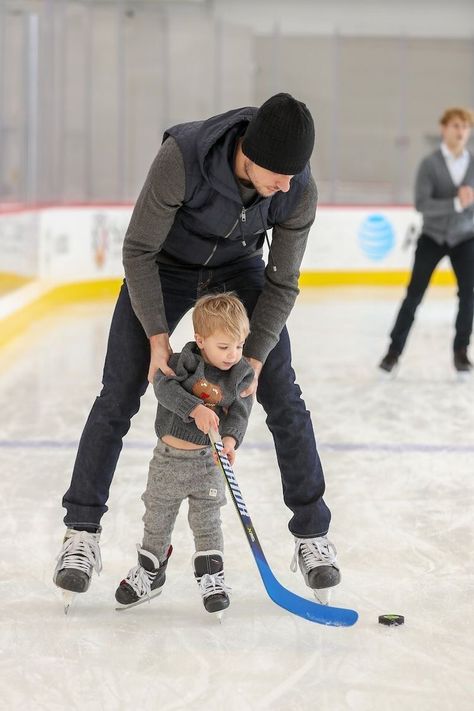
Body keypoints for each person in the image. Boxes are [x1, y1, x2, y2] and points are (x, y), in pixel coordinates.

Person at [53, 92, 341, 603]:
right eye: (279, 175)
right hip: (163, 265)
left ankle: (312, 534)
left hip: (238, 270)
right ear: (249, 155)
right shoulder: (183, 158)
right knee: (118, 394)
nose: (288, 186)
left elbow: (284, 281)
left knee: (282, 391)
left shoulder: (297, 190)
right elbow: (138, 249)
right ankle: (81, 532)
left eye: (295, 176)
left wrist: (254, 358)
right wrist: (157, 338)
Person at [114, 293, 253, 613]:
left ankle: (212, 577)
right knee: (157, 518)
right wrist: (194, 410)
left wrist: (230, 441)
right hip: (167, 461)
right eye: (224, 347)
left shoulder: (241, 373)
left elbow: (241, 411)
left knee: (208, 522)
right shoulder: (184, 362)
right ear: (200, 340)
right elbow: (162, 386)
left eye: (239, 346)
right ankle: (150, 570)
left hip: (208, 464)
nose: (233, 354)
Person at [380, 107, 474, 374]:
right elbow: (422, 204)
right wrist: (456, 202)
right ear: (444, 128)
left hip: (466, 237)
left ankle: (461, 352)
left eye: (465, 127)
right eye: (456, 125)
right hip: (432, 237)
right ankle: (393, 352)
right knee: (414, 295)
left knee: (469, 295)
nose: (461, 131)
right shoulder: (430, 165)